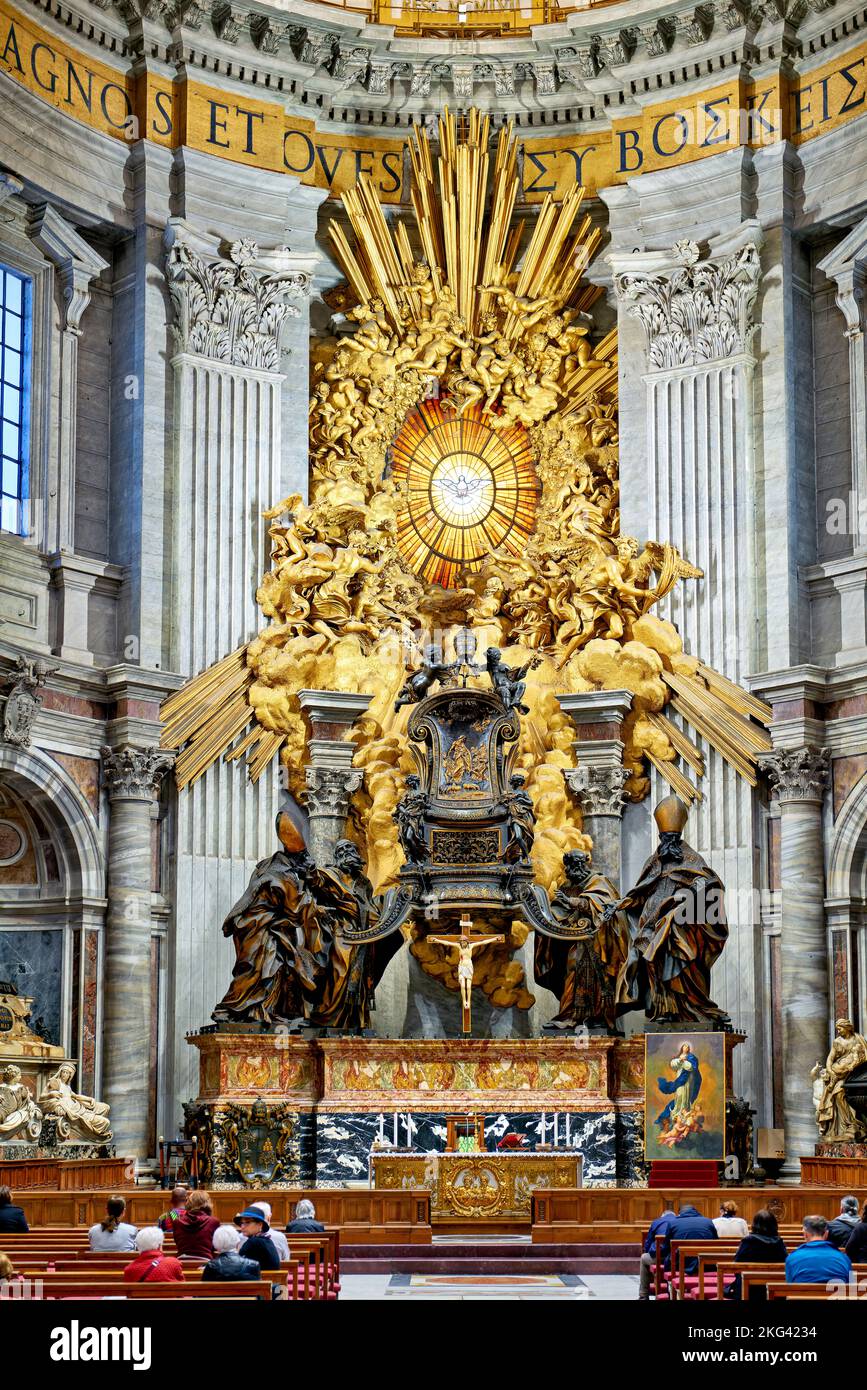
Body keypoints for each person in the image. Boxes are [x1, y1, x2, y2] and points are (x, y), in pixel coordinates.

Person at [726, 1208, 788, 1300]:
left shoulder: (748, 1241)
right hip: (774, 1290)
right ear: (774, 1225)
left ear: (755, 1224)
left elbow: (737, 1264)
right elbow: (786, 1264)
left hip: (749, 1289)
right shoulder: (779, 1242)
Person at [785, 1215, 852, 1284]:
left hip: (801, 1295)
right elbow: (850, 1286)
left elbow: (789, 1285)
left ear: (805, 1234)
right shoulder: (844, 1259)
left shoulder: (792, 1258)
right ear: (826, 1234)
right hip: (835, 1295)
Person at [638, 1201, 677, 1300]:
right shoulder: (679, 1221)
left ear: (662, 1215)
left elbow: (648, 1242)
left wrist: (647, 1251)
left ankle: (643, 1295)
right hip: (676, 1258)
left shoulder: (657, 1222)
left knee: (643, 1258)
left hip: (660, 1257)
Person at [665, 1204, 718, 1276]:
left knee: (668, 1258)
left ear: (680, 1213)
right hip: (706, 1264)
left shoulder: (673, 1223)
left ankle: (669, 1285)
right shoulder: (708, 1221)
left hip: (681, 1264)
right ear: (696, 1212)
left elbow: (666, 1245)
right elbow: (716, 1242)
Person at [172, 1189, 220, 1258]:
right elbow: (215, 1246)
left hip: (182, 1262)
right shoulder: (213, 1222)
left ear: (189, 1203)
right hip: (205, 1263)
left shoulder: (177, 1222)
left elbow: (178, 1243)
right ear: (208, 1204)